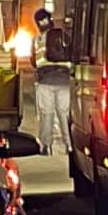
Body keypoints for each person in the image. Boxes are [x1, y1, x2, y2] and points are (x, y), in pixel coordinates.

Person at [31, 8, 72, 156]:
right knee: (64, 113)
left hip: (45, 81)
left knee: (46, 113)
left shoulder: (37, 39)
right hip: (64, 80)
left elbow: (33, 62)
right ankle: (69, 145)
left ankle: (45, 146)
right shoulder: (64, 36)